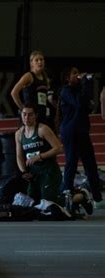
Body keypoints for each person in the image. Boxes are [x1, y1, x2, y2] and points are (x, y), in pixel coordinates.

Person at [58, 67, 104, 211]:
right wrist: (86, 84)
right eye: (74, 74)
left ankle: (97, 198)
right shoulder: (66, 91)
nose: (78, 76)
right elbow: (79, 103)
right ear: (67, 77)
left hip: (82, 132)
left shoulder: (81, 90)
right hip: (71, 133)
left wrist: (87, 87)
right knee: (71, 163)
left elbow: (87, 105)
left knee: (91, 165)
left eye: (79, 73)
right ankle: (66, 194)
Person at [15, 104, 63, 204]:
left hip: (49, 171)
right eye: (24, 114)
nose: (26, 117)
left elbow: (59, 148)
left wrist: (39, 156)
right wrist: (24, 171)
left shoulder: (42, 129)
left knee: (47, 204)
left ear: (36, 115)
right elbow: (19, 156)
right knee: (32, 203)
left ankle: (79, 197)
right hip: (33, 174)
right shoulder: (19, 134)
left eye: (30, 115)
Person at [11, 51, 55, 129]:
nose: (40, 62)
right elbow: (14, 92)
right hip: (30, 117)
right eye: (37, 60)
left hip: (42, 115)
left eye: (41, 60)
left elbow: (46, 97)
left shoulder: (45, 78)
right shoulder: (29, 76)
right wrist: (22, 108)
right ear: (32, 63)